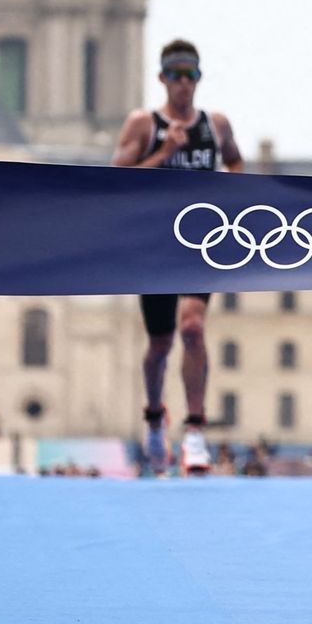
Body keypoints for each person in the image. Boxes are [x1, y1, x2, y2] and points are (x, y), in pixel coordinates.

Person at [111, 39, 244, 475]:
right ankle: (154, 416)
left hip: (201, 243)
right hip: (154, 246)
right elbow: (114, 182)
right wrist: (164, 154)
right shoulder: (143, 124)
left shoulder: (216, 125)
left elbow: (236, 164)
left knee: (192, 328)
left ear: (199, 79)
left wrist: (230, 192)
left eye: (191, 75)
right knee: (160, 344)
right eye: (176, 75)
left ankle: (195, 432)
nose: (184, 83)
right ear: (162, 78)